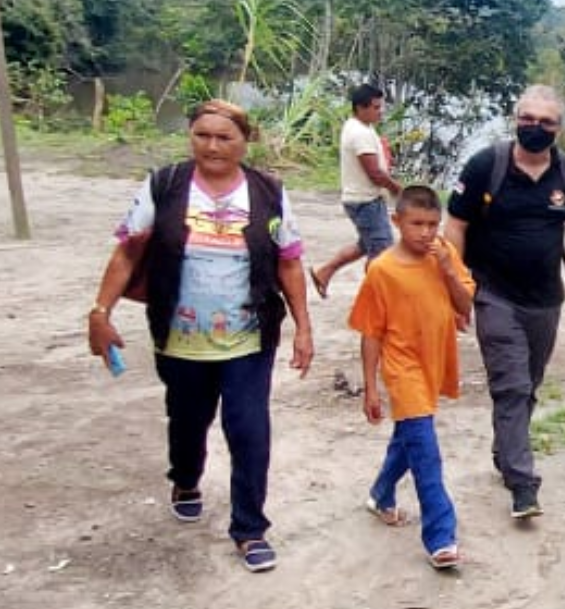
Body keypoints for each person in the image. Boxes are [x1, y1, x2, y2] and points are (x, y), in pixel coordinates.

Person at [86, 99, 315, 573]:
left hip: (249, 337)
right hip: (180, 337)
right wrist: (100, 311)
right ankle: (186, 478)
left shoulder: (268, 192)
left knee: (249, 430)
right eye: (202, 135)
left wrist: (303, 328)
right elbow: (127, 253)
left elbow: (289, 262)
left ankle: (250, 529)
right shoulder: (165, 186)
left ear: (244, 142)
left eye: (224, 137)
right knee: (187, 420)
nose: (212, 145)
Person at [443, 84, 565, 519]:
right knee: (511, 385)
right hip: (493, 293)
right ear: (515, 119)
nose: (536, 128)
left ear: (559, 128)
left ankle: (506, 450)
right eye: (528, 119)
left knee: (527, 386)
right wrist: (455, 289)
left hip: (545, 301)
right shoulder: (487, 165)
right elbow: (455, 226)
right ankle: (523, 484)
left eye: (547, 122)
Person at [348, 185, 474, 570]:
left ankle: (381, 494)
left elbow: (465, 304)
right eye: (416, 224)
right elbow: (371, 332)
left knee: (410, 437)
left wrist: (450, 269)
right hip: (402, 368)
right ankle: (440, 536)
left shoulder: (444, 255)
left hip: (434, 360)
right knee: (426, 451)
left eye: (432, 225)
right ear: (396, 221)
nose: (425, 232)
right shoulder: (382, 269)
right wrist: (371, 386)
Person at [309, 84, 401, 299]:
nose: (381, 112)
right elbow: (374, 174)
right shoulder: (359, 133)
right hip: (365, 201)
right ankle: (376, 297)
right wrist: (399, 190)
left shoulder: (361, 127)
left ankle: (324, 271)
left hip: (362, 199)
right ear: (361, 107)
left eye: (381, 107)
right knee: (382, 252)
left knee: (365, 244)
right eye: (376, 108)